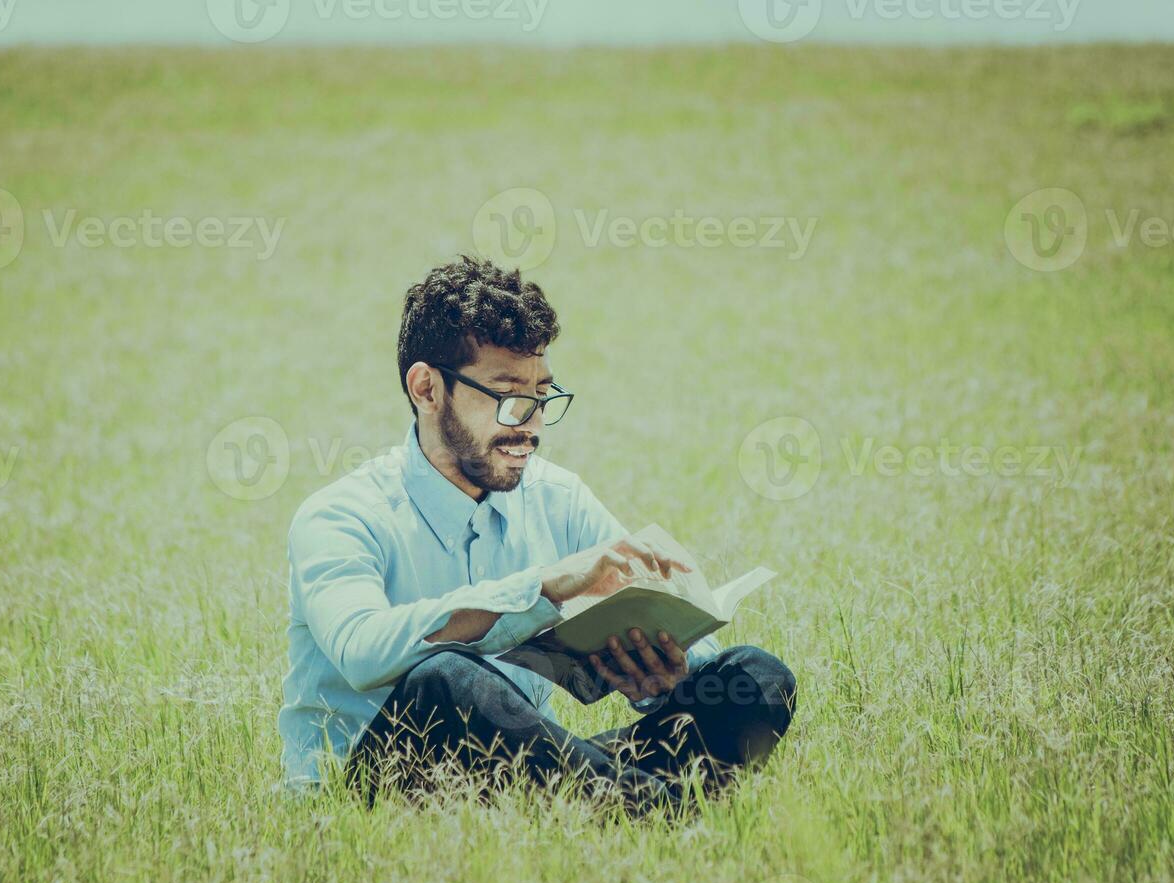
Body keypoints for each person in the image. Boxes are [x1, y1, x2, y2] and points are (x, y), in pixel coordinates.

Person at [277, 256, 796, 812]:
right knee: (447, 678)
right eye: (507, 396)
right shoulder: (339, 515)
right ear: (427, 388)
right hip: (373, 794)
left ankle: (617, 806)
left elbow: (687, 643)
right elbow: (361, 651)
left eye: (542, 396)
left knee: (753, 678)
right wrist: (544, 587)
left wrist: (667, 672)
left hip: (526, 776)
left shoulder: (558, 498)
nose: (530, 424)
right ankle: (658, 813)